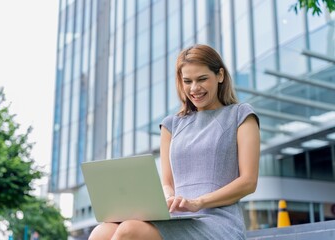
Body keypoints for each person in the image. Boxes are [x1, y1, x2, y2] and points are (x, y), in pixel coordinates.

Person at [88, 44, 260, 240]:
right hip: (176, 219)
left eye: (202, 79)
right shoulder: (171, 125)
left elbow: (248, 182)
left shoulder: (240, 115)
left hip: (218, 222)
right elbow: (167, 183)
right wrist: (169, 197)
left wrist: (198, 202)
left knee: (129, 231)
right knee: (102, 232)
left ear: (220, 75)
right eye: (188, 81)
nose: (194, 88)